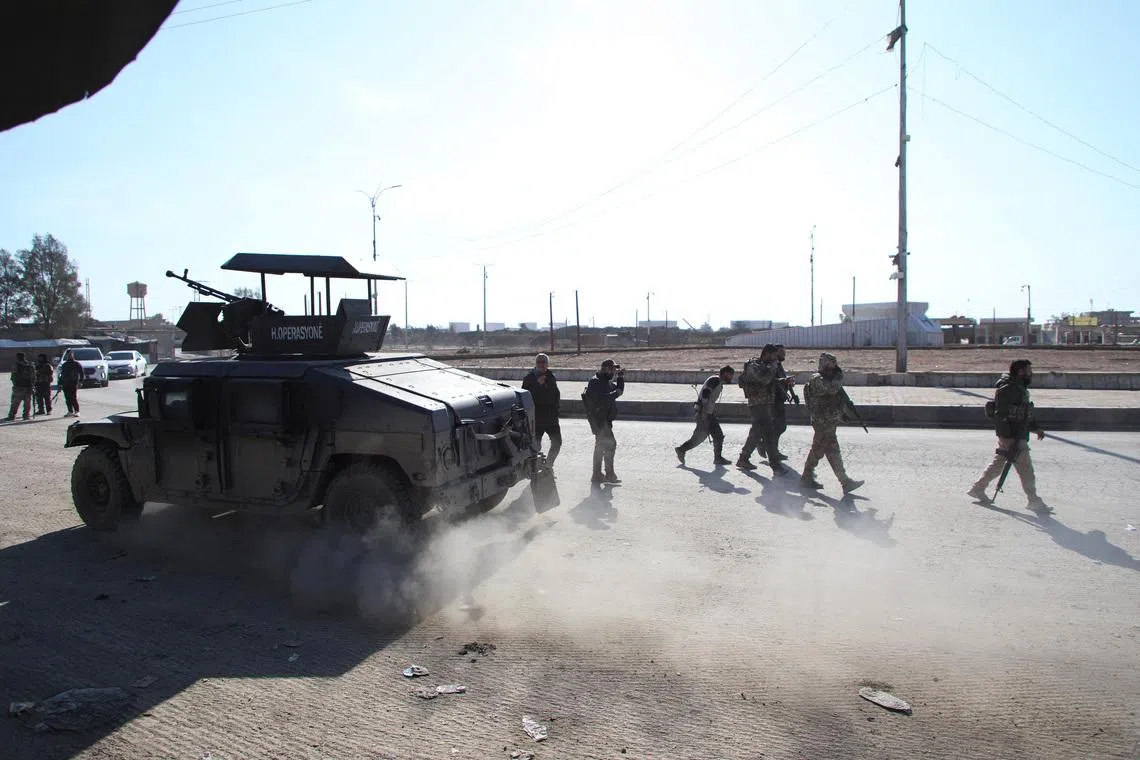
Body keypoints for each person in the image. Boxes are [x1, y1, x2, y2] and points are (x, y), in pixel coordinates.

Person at [967, 359, 1050, 514]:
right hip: (1013, 435)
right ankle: (1034, 500)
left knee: (999, 464)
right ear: (1021, 372)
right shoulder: (1009, 389)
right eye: (1029, 370)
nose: (1031, 373)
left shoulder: (1018, 388)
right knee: (1026, 468)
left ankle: (977, 488)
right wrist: (1011, 438)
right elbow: (1001, 414)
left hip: (1014, 434)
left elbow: (1024, 412)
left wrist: (1036, 428)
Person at [799, 352, 864, 494]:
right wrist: (840, 376)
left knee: (822, 449)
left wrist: (842, 414)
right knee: (828, 449)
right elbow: (832, 389)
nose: (835, 367)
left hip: (828, 420)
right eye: (832, 364)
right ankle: (844, 482)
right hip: (822, 421)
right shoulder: (817, 379)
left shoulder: (830, 378)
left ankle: (807, 477)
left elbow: (834, 399)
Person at [736, 344, 785, 474]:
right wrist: (774, 366)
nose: (776, 358)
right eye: (774, 355)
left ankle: (743, 458)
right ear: (767, 353)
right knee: (768, 434)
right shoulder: (754, 366)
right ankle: (776, 467)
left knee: (756, 433)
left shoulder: (765, 366)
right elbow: (765, 380)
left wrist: (783, 381)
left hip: (764, 403)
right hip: (757, 403)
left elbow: (771, 381)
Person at [675, 365, 734, 466]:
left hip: (709, 413)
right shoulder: (714, 380)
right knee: (699, 437)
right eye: (730, 375)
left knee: (718, 435)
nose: (731, 378)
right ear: (725, 373)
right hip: (704, 413)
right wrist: (703, 413)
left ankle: (718, 458)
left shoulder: (717, 381)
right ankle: (681, 449)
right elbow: (705, 395)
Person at [583, 358, 625, 484]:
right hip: (599, 420)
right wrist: (615, 394)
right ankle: (609, 475)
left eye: (614, 370)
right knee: (610, 445)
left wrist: (620, 378)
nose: (613, 372)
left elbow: (619, 391)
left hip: (605, 419)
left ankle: (597, 475)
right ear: (605, 369)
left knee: (601, 446)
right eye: (611, 369)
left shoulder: (605, 380)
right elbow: (602, 400)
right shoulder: (595, 382)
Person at [522, 353, 561, 466]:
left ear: (547, 364)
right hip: (537, 418)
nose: (541, 364)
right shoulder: (529, 378)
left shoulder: (550, 376)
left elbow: (556, 394)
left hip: (552, 418)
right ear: (536, 363)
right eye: (539, 362)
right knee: (536, 446)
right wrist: (537, 384)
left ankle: (548, 465)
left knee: (557, 442)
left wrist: (557, 408)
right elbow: (525, 396)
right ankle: (534, 468)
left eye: (544, 362)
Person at [770, 344, 796, 461]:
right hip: (773, 400)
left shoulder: (779, 366)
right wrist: (784, 381)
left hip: (780, 399)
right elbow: (770, 380)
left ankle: (768, 447)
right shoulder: (772, 366)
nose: (784, 354)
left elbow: (785, 382)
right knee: (779, 426)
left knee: (779, 427)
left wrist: (793, 394)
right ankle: (771, 450)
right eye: (781, 352)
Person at [5, 352, 35, 421]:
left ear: (18, 357)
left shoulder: (17, 365)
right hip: (29, 387)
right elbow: (34, 377)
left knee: (15, 402)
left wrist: (15, 384)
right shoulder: (30, 365)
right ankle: (26, 416)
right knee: (27, 403)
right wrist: (32, 385)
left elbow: (13, 377)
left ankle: (12, 416)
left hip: (19, 387)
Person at [58, 350, 83, 418]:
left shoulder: (76, 363)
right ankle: (70, 411)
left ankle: (77, 411)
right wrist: (60, 384)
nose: (69, 356)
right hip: (65, 383)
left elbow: (81, 373)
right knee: (67, 398)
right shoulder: (65, 364)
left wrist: (81, 382)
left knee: (73, 397)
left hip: (73, 382)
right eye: (68, 354)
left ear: (73, 355)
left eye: (70, 354)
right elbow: (61, 374)